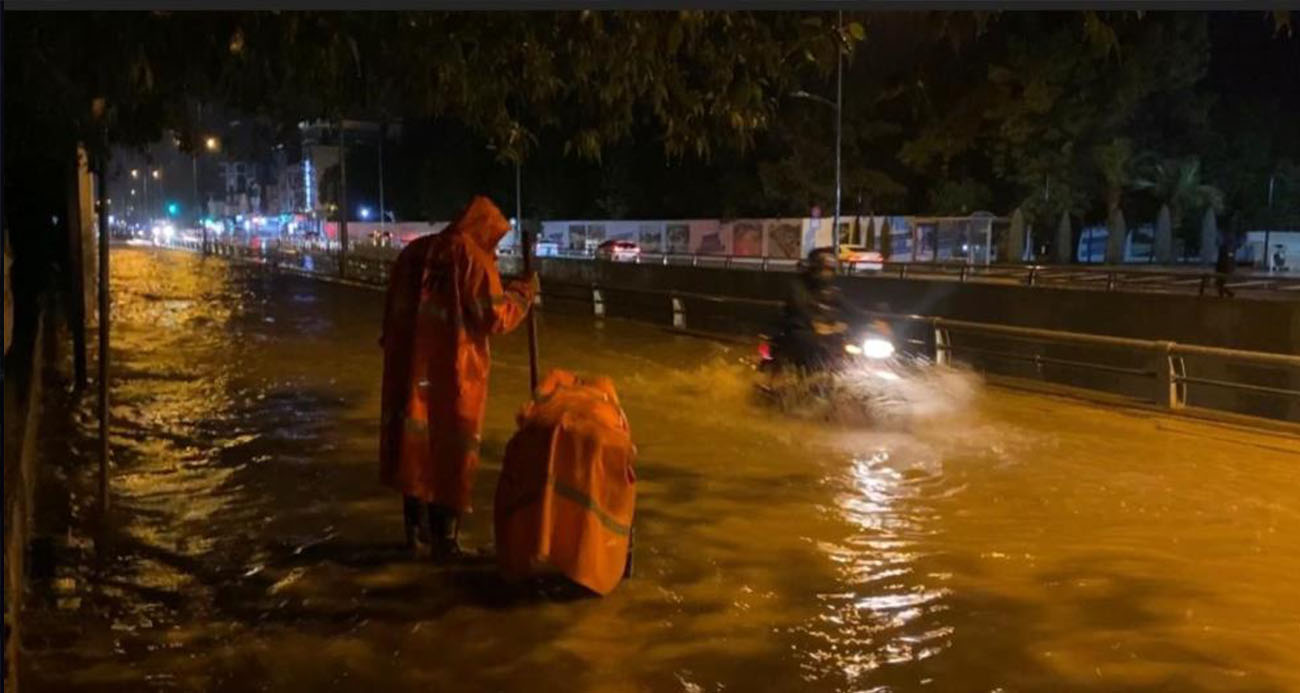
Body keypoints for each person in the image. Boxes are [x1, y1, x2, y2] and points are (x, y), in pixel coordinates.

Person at [378, 195, 538, 560]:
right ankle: (444, 544)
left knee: (413, 447)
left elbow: (390, 313)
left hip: (407, 369)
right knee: (451, 450)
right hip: (453, 372)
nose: (495, 250)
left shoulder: (412, 253)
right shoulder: (473, 259)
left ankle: (413, 538)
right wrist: (523, 293)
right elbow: (495, 317)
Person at [774, 247, 859, 371]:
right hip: (800, 329)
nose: (827, 273)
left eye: (830, 270)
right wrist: (815, 323)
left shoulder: (830, 290)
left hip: (827, 331)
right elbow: (799, 306)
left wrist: (873, 321)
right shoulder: (798, 285)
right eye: (824, 269)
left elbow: (850, 308)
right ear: (815, 268)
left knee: (849, 345)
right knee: (812, 346)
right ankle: (806, 377)